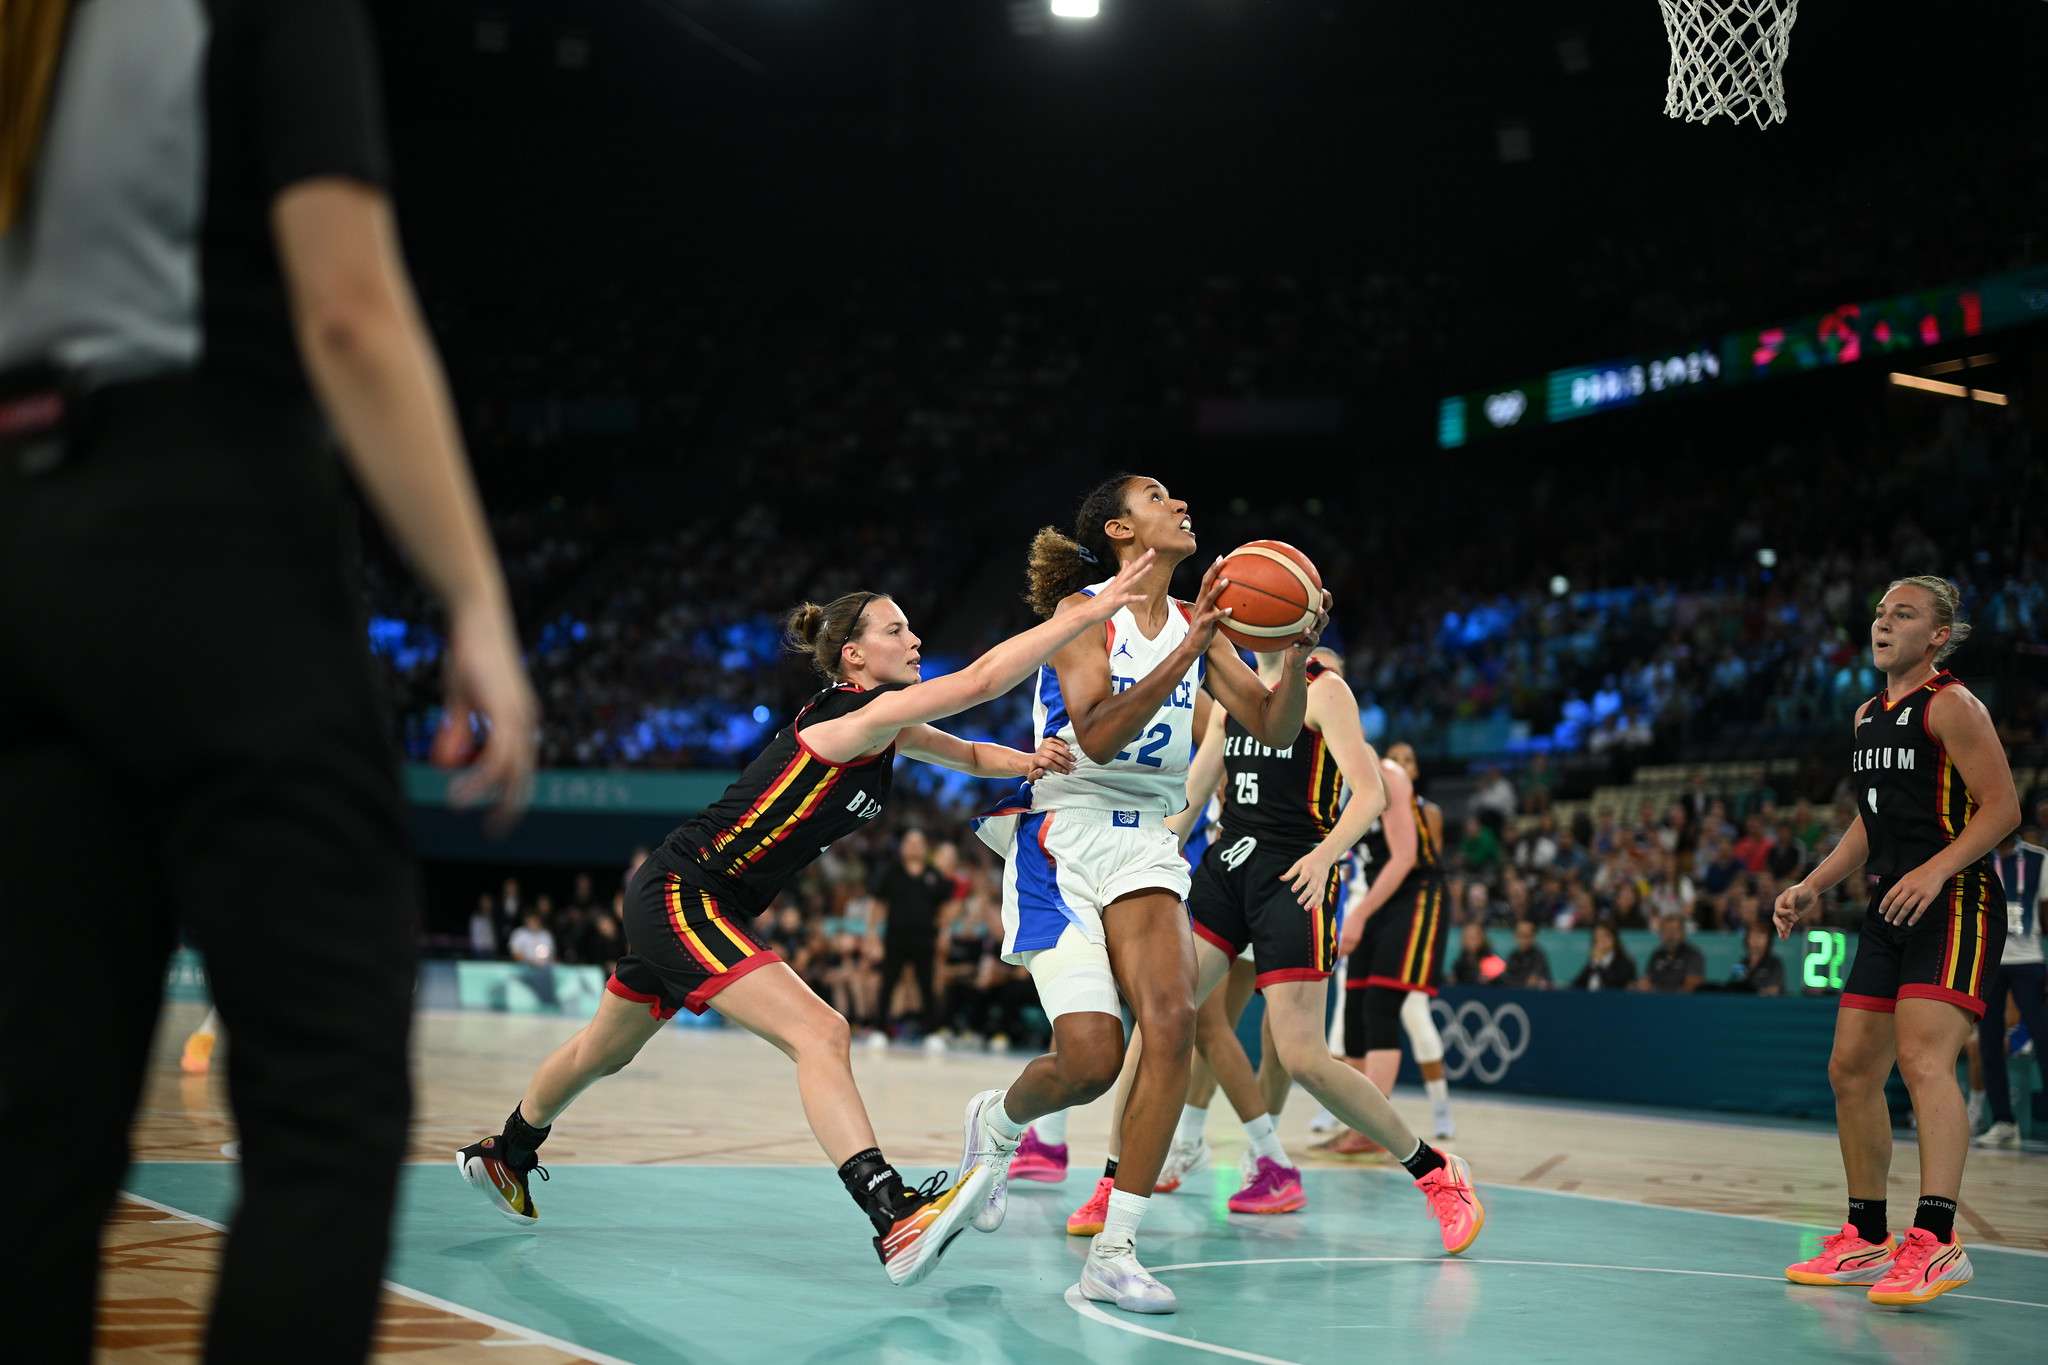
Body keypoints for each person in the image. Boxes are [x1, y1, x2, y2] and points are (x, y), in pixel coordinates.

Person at [1, 6, 538, 1362]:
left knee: (35, 1135)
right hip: (210, 542)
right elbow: (349, 311)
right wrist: (473, 593)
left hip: (21, 555)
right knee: (326, 1107)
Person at [455, 558, 1154, 1288]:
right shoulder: (852, 717)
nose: (914, 639)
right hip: (683, 893)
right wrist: (1080, 614)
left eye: (912, 627)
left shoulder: (887, 728)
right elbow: (978, 683)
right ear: (854, 655)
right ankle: (893, 1214)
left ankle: (506, 1152)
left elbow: (973, 751)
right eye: (896, 629)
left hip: (699, 901)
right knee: (822, 1032)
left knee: (603, 1051)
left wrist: (1033, 760)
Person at [951, 474, 1336, 1315]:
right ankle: (1004, 1120)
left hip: (1148, 840)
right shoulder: (1082, 615)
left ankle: (1116, 1249)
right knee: (1089, 1060)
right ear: (1123, 528)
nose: (1182, 503)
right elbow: (1095, 733)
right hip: (1063, 836)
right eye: (1160, 496)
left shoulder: (1204, 620)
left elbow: (1272, 725)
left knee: (1168, 1025)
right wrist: (1190, 651)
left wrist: (1300, 649)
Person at [1778, 577, 2015, 1306]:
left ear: (1938, 635)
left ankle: (1937, 1240)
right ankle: (1866, 1235)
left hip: (1957, 899)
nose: (1884, 622)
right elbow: (1869, 824)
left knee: (1922, 1058)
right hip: (1892, 903)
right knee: (1851, 1067)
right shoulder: (1866, 718)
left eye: (1903, 614)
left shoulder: (1954, 705)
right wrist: (1812, 883)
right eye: (1880, 611)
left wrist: (1938, 867)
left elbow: (2004, 807)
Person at [1168, 645, 1392, 1216]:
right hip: (1231, 869)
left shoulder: (1326, 693)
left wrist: (1325, 856)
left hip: (1295, 878)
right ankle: (1181, 1147)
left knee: (1286, 1051)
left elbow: (1370, 795)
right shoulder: (1236, 695)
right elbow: (1193, 794)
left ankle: (1263, 1157)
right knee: (1186, 1019)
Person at [1975, 829, 2046, 1149]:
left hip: (2029, 960)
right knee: (1989, 1043)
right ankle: (2004, 1121)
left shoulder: (2038, 858)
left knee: (2044, 1040)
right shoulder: (1978, 858)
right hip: (1988, 960)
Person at [874, 828, 952, 1045]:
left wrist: (944, 931)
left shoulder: (934, 874)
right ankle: (879, 1030)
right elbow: (878, 904)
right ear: (902, 847)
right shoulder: (892, 872)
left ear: (926, 848)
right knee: (888, 983)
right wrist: (872, 935)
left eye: (919, 843)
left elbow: (945, 907)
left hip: (925, 939)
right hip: (895, 938)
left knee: (927, 985)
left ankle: (932, 1033)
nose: (914, 847)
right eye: (910, 843)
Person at [1637, 913, 1705, 993]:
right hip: (1656, 1000)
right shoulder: (1657, 954)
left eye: (1674, 931)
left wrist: (1661, 992)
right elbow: (1646, 981)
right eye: (1666, 931)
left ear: (1682, 933)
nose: (1670, 936)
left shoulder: (1693, 955)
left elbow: (1690, 986)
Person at [1570, 923, 1637, 991]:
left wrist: (1599, 964)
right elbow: (1576, 985)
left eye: (1605, 936)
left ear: (1614, 938)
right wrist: (1595, 962)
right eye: (1597, 936)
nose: (1600, 940)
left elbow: (1612, 986)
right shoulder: (1593, 961)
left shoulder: (1625, 963)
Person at [1726, 922, 1785, 996]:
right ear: (1747, 939)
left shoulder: (1774, 963)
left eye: (1760, 935)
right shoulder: (1741, 963)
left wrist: (1753, 991)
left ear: (1768, 940)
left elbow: (1774, 990)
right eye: (1753, 935)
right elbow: (1733, 989)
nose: (1756, 939)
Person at [1501, 919, 1553, 988]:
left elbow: (1532, 981)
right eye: (1520, 934)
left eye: (1527, 935)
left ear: (1534, 936)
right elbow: (1506, 978)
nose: (1523, 939)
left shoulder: (1538, 955)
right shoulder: (1513, 955)